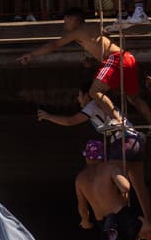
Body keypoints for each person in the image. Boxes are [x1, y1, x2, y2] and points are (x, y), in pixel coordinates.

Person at [18, 7, 151, 126]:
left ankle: (118, 122)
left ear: (74, 19)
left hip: (116, 59)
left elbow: (54, 45)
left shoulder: (78, 31)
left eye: (66, 21)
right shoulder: (94, 28)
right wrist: (93, 62)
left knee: (94, 92)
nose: (64, 25)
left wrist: (31, 55)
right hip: (127, 57)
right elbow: (105, 48)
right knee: (134, 98)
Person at [38, 82, 150, 220]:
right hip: (136, 140)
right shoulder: (103, 105)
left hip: (122, 143)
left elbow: (70, 121)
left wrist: (48, 117)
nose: (78, 99)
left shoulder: (92, 106)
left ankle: (126, 223)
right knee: (140, 188)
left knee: (117, 184)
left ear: (86, 96)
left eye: (79, 96)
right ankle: (148, 221)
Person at [76, 141, 151, 240]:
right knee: (147, 232)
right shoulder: (109, 167)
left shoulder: (80, 178)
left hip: (104, 225)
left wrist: (85, 221)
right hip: (120, 216)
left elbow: (82, 208)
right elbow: (125, 187)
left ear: (87, 157)